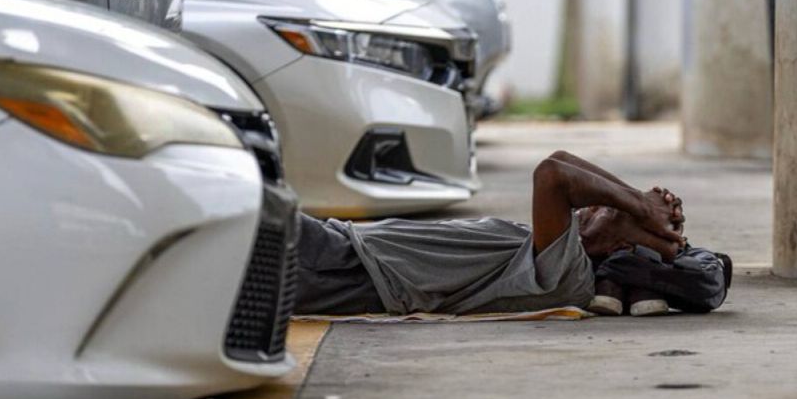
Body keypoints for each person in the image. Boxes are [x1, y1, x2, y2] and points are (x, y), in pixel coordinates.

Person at [293, 150, 686, 317]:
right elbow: (562, 159)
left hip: (337, 266)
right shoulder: (549, 247)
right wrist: (635, 200)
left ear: (619, 244)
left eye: (605, 210)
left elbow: (553, 175)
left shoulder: (568, 273)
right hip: (334, 249)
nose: (591, 205)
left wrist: (639, 207)